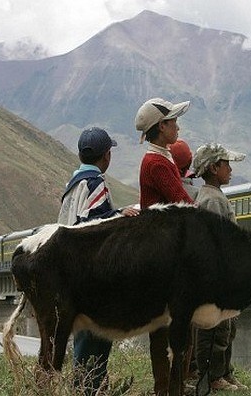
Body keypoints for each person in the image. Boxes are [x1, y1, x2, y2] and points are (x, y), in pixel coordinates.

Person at [57, 126, 139, 395]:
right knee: (97, 337)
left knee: (82, 334)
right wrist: (119, 216)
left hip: (71, 271)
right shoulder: (96, 184)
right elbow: (93, 226)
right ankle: (89, 387)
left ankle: (83, 385)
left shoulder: (72, 185)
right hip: (91, 275)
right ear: (106, 155)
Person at [135, 97, 194, 396]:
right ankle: (168, 389)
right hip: (163, 253)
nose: (177, 126)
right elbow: (182, 202)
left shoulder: (161, 157)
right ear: (162, 127)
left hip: (165, 248)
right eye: (173, 122)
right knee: (167, 329)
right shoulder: (157, 163)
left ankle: (174, 388)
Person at [192, 143, 248, 392]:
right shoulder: (212, 201)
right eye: (226, 164)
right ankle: (212, 376)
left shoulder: (212, 196)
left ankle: (224, 372)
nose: (230, 169)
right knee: (215, 330)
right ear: (214, 168)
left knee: (228, 327)